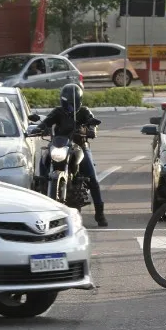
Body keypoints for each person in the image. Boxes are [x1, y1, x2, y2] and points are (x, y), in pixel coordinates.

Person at [32, 84, 107, 227]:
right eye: (66, 102)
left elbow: (92, 123)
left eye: (72, 103)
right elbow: (47, 121)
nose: (69, 106)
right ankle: (42, 187)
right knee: (43, 160)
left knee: (92, 178)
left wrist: (90, 129)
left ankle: (100, 214)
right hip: (59, 145)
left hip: (79, 147)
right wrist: (38, 128)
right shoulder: (58, 112)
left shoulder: (84, 112)